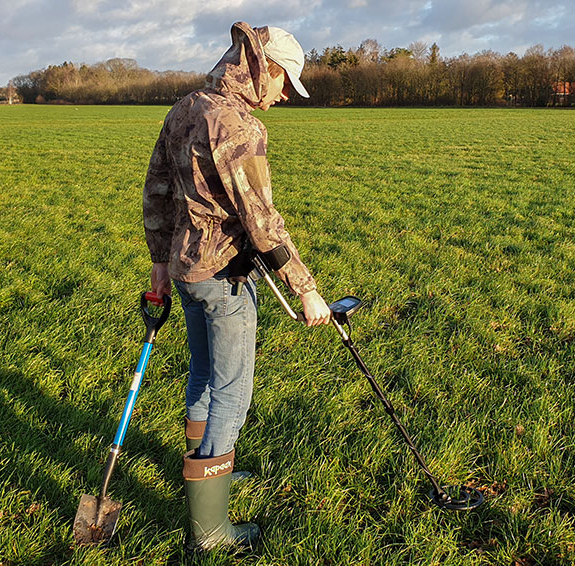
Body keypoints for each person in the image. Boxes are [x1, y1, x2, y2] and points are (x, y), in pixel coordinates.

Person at [142, 22, 331, 551]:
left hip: (184, 271)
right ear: (262, 68)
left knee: (203, 370)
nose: (285, 95)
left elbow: (156, 188)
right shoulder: (239, 127)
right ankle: (210, 529)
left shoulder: (186, 107)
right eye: (285, 83)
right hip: (222, 275)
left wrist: (160, 261)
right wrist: (306, 289)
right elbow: (262, 221)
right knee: (233, 390)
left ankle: (207, 469)